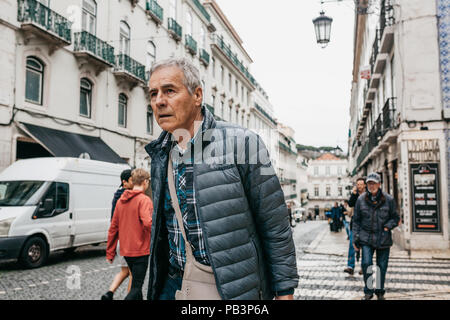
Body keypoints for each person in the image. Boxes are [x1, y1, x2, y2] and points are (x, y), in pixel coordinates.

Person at [144, 58, 298, 300]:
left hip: (232, 288)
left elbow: (275, 225)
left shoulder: (245, 143)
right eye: (153, 94)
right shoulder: (160, 153)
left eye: (169, 91)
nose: (159, 101)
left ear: (197, 95)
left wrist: (285, 291)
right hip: (174, 285)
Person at [106, 168, 153, 300]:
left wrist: (110, 252)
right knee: (136, 286)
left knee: (136, 287)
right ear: (145, 182)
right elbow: (148, 223)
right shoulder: (144, 200)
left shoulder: (121, 201)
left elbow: (113, 228)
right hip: (141, 250)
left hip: (126, 251)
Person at [352, 172, 400, 300]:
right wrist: (355, 238)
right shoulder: (361, 200)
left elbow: (395, 218)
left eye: (373, 183)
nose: (371, 186)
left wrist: (387, 226)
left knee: (381, 267)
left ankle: (379, 291)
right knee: (366, 263)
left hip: (383, 237)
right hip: (366, 237)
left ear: (379, 184)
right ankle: (368, 292)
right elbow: (356, 220)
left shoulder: (388, 200)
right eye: (369, 183)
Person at [101, 169, 133, 300]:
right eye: (132, 179)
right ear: (124, 182)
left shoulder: (117, 195)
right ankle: (130, 297)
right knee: (133, 274)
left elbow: (113, 221)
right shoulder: (128, 196)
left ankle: (109, 293)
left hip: (121, 239)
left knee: (125, 271)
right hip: (129, 239)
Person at [344, 177, 366, 276]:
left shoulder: (368, 195)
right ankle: (350, 266)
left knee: (365, 247)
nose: (359, 186)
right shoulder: (355, 195)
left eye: (361, 184)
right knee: (352, 246)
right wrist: (353, 194)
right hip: (355, 224)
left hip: (366, 225)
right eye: (358, 184)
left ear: (364, 185)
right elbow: (350, 204)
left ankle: (363, 267)